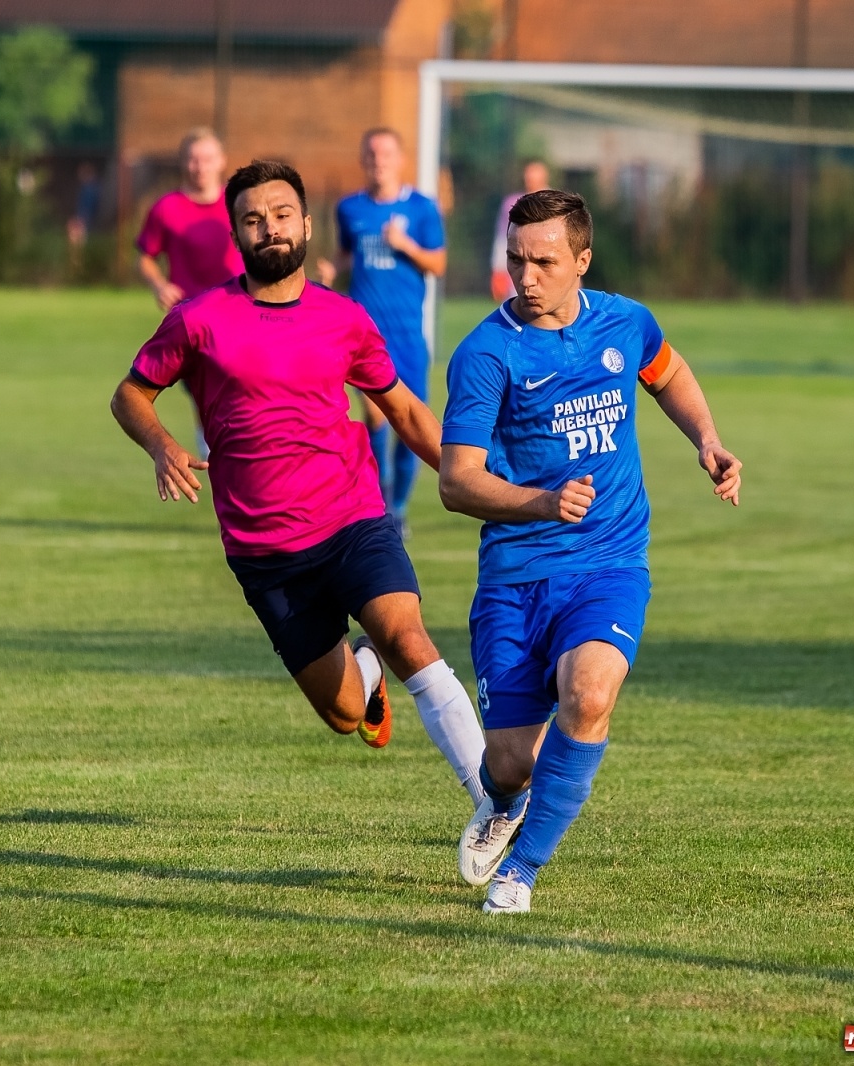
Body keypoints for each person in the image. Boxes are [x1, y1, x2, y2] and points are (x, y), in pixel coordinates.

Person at [111, 160, 490, 853]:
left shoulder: (345, 319)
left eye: (282, 214)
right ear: (236, 234)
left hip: (352, 520)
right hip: (265, 555)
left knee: (409, 637)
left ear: (307, 225)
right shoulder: (197, 319)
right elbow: (130, 394)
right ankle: (364, 671)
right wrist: (162, 444)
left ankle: (491, 795)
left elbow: (403, 410)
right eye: (254, 220)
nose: (270, 229)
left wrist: (477, 480)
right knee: (346, 714)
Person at [439, 189, 743, 914]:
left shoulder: (624, 322)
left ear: (582, 260)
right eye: (516, 259)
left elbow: (668, 373)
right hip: (516, 576)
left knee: (590, 694)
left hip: (608, 561)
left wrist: (706, 438)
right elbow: (456, 481)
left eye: (543, 260)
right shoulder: (487, 353)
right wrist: (541, 502)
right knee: (509, 763)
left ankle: (524, 873)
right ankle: (506, 805)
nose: (526, 275)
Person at [320, 128, 446, 538]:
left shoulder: (422, 208)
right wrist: (332, 271)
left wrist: (405, 244)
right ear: (363, 158)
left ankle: (401, 507)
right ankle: (382, 503)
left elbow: (438, 265)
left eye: (387, 153)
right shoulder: (350, 208)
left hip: (408, 335)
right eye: (372, 153)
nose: (379, 160)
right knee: (376, 416)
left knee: (414, 423)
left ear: (401, 158)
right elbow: (345, 254)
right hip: (363, 334)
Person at [135, 129, 245, 459]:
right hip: (191, 322)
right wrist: (159, 285)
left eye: (208, 158)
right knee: (205, 396)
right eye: (194, 159)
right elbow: (145, 256)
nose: (201, 166)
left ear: (222, 161)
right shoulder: (166, 208)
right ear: (183, 162)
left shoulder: (238, 204)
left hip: (239, 313)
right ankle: (215, 456)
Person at [489, 160, 551, 304]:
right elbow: (502, 238)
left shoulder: (557, 205)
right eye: (528, 178)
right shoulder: (512, 203)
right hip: (520, 270)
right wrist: (498, 271)